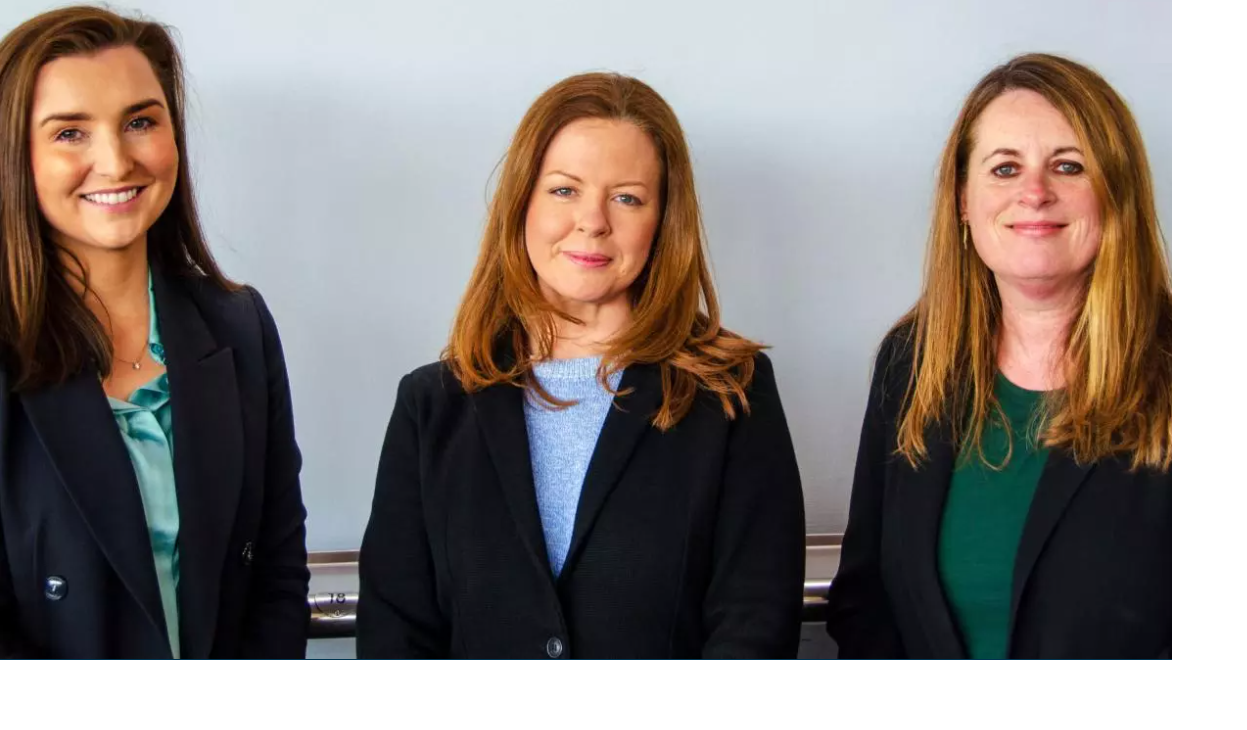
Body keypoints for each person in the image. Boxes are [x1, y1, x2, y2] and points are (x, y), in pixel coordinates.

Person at [357, 72, 806, 659]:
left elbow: (754, 627)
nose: (593, 220)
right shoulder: (432, 406)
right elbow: (396, 638)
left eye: (627, 197)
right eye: (565, 190)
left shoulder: (730, 392)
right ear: (522, 203)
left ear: (663, 221)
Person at [825, 53, 1171, 659]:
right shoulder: (910, 364)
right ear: (964, 200)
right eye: (1005, 168)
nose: (1034, 194)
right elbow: (867, 600)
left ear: (1116, 191)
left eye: (1068, 166)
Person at [0, 6, 309, 658]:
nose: (115, 162)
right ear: (16, 155)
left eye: (140, 122)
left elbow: (276, 573)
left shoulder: (239, 325)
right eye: (70, 133)